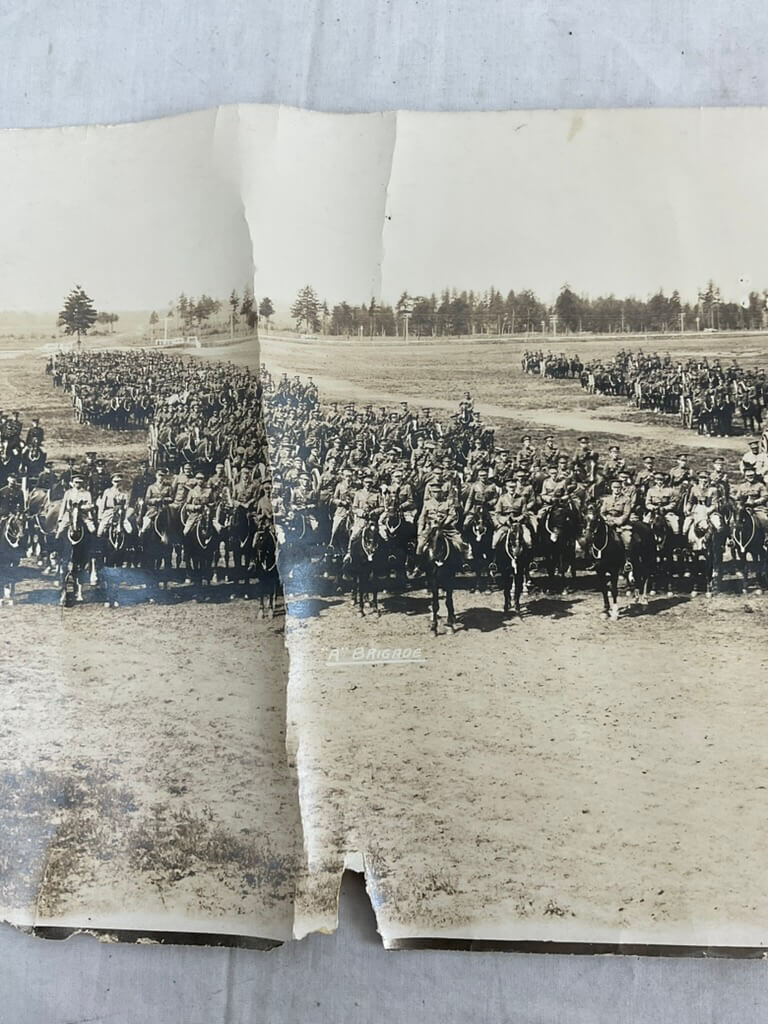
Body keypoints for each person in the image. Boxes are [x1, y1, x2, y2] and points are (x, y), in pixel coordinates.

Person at [416, 479, 468, 559]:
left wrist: (444, 523)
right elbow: (422, 517)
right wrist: (420, 530)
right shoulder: (427, 504)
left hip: (446, 528)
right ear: (431, 493)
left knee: (460, 542)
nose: (436, 494)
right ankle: (418, 563)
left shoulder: (447, 502)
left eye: (438, 492)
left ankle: (464, 562)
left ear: (441, 492)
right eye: (434, 492)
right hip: (430, 528)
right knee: (420, 545)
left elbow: (452, 515)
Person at [56, 472, 96, 537]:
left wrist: (83, 508)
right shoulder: (68, 492)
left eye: (80, 482)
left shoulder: (87, 493)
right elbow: (63, 506)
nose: (78, 484)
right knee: (60, 530)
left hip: (82, 513)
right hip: (69, 514)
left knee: (92, 529)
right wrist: (60, 517)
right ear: (73, 483)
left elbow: (90, 505)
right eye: (76, 482)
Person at [599, 478, 634, 546]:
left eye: (618, 487)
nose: (617, 489)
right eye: (615, 487)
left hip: (621, 524)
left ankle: (626, 552)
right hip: (608, 522)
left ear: (621, 488)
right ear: (611, 488)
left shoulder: (626, 499)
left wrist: (616, 521)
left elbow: (626, 514)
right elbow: (602, 512)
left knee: (627, 540)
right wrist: (606, 519)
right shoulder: (607, 499)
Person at [733, 466, 768, 531]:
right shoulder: (742, 486)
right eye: (748, 476)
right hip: (743, 508)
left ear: (754, 475)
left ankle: (766, 535)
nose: (750, 477)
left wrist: (755, 502)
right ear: (745, 476)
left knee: (764, 520)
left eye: (751, 475)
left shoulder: (760, 485)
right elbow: (737, 497)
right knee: (734, 521)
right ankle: (734, 535)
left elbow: (765, 497)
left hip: (757, 508)